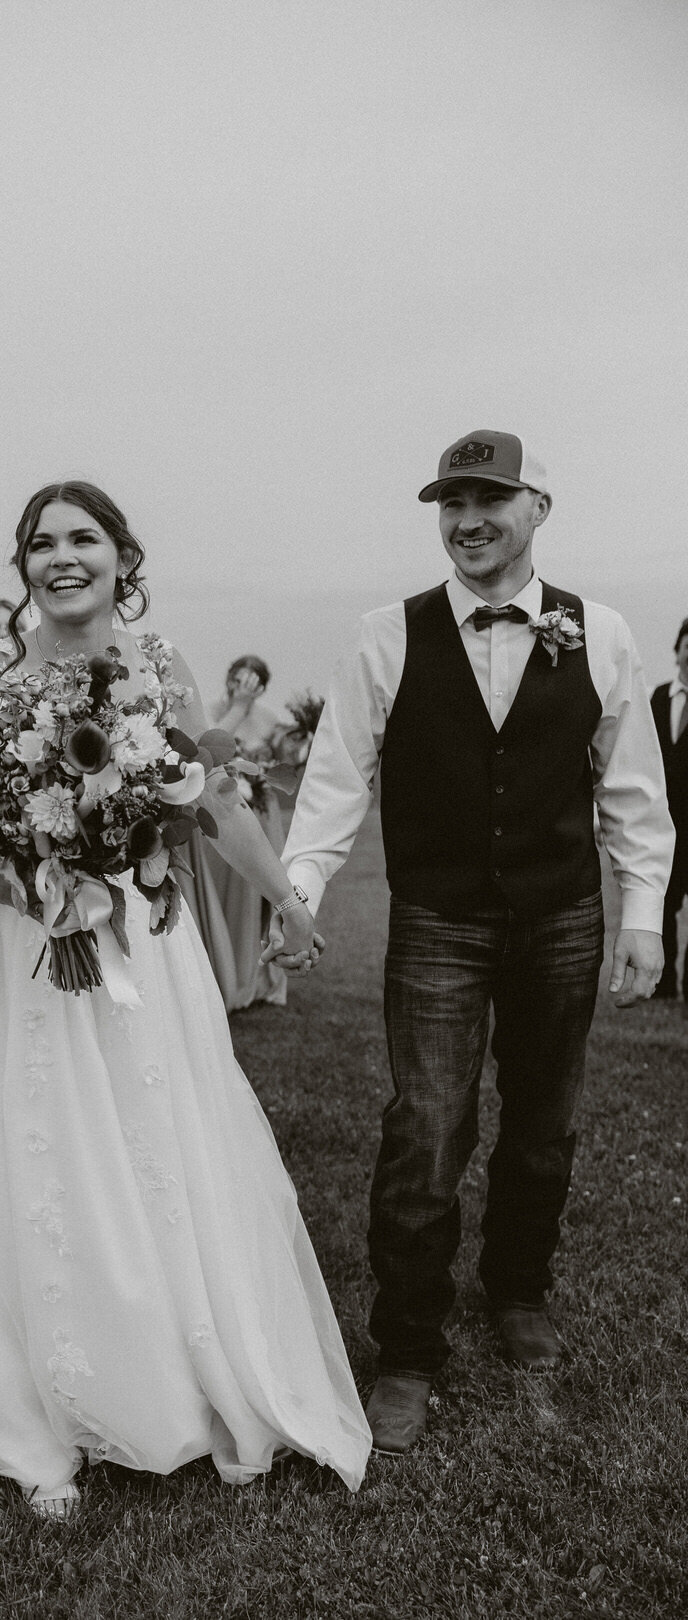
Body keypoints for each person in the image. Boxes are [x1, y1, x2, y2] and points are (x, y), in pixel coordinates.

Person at [0, 482, 371, 1516]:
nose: (64, 557)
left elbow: (208, 798)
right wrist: (27, 885)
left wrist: (285, 895)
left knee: (156, 1142)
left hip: (143, 940)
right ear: (23, 566)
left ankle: (170, 1365)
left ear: (120, 555)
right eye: (42, 543)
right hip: (22, 950)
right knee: (41, 1146)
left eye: (84, 539)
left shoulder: (157, 664)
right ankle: (44, 1394)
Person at [278, 431, 674, 1454]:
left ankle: (518, 1289)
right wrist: (301, 892)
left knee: (545, 1123)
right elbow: (334, 782)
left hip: (560, 916)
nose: (468, 520)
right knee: (426, 1131)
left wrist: (641, 917)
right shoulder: (386, 635)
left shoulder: (606, 634)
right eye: (451, 501)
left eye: (491, 498)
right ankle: (408, 1347)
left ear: (539, 507)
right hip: (439, 919)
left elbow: (632, 790)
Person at [198, 656, 288, 1009]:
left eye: (252, 682)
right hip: (221, 816)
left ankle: (258, 977)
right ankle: (222, 973)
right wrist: (238, 707)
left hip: (260, 815)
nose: (243, 686)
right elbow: (209, 750)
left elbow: (283, 760)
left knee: (261, 896)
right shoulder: (211, 710)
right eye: (238, 678)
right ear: (229, 678)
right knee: (223, 896)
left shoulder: (269, 718)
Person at [650, 616, 688, 997]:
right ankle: (662, 988)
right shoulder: (658, 697)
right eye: (687, 646)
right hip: (667, 827)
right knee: (664, 906)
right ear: (677, 650)